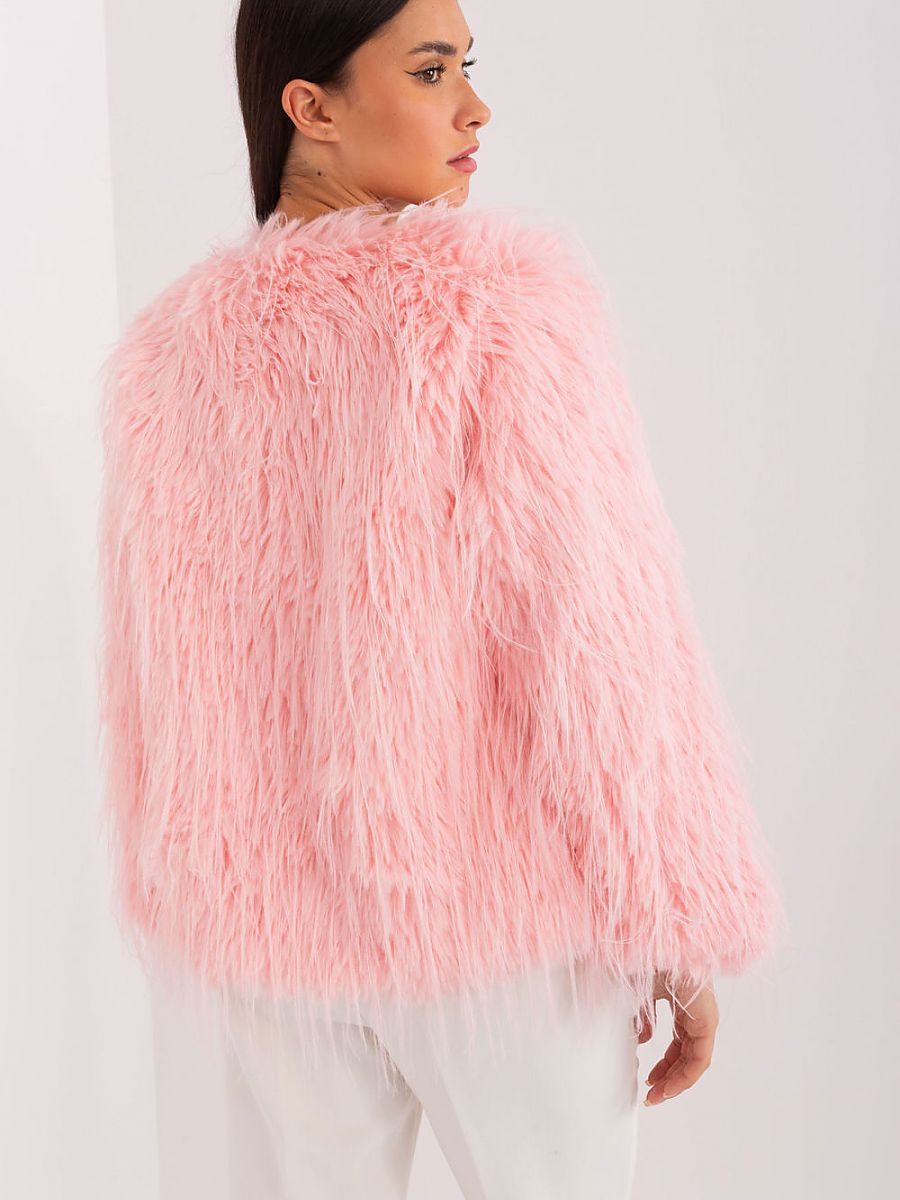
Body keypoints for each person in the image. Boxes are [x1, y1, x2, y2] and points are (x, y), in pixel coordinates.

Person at [95, 1, 786, 1196]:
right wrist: (673, 918)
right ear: (309, 107)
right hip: (501, 932)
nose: (475, 107)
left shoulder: (169, 355)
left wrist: (199, 900)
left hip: (274, 950)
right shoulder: (494, 306)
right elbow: (600, 633)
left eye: (468, 66)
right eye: (430, 71)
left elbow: (149, 675)